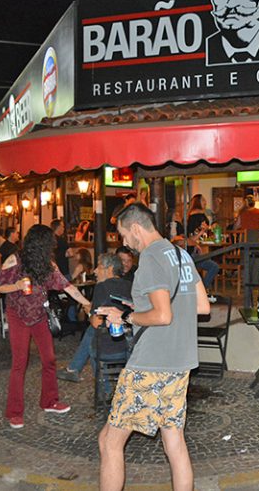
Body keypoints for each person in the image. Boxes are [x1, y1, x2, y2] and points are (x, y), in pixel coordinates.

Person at [96, 203, 210, 491]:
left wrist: (126, 316)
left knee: (109, 442)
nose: (125, 243)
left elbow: (162, 316)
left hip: (151, 364)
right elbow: (202, 306)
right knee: (174, 442)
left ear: (136, 228)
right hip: (181, 361)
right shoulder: (181, 254)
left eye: (124, 235)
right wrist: (142, 307)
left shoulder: (150, 257)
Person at [0, 225, 92, 429]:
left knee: (49, 359)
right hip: (18, 315)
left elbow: (67, 286)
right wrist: (16, 286)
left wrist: (87, 303)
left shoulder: (48, 264)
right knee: (20, 363)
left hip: (39, 315)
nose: (52, 247)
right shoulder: (14, 260)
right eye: (49, 243)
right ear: (40, 244)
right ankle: (14, 412)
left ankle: (49, 401)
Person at [57, 253, 131, 398]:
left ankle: (106, 391)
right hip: (129, 345)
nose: (95, 271)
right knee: (92, 331)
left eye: (99, 267)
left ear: (109, 269)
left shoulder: (102, 287)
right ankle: (73, 369)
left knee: (93, 335)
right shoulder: (129, 285)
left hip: (110, 348)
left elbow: (96, 323)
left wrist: (89, 313)